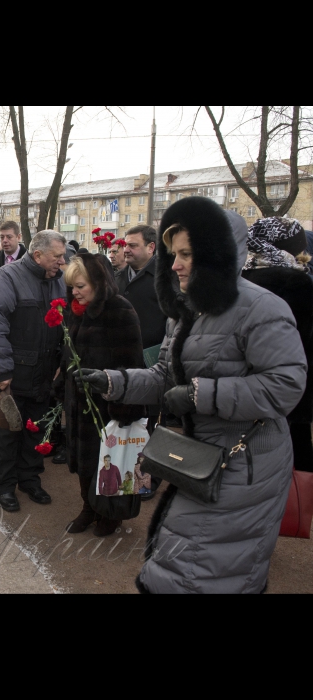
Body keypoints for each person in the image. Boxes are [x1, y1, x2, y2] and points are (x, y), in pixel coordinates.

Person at [79, 197, 307, 594]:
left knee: (204, 569)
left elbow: (286, 386)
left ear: (217, 255)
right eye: (173, 254)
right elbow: (165, 376)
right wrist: (114, 381)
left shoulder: (262, 308)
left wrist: (203, 394)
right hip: (205, 457)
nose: (176, 264)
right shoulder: (187, 310)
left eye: (187, 254)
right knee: (184, 561)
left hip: (248, 461)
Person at [0, 230, 67, 512]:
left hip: (45, 375)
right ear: (38, 255)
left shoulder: (59, 280)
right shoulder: (7, 277)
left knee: (36, 431)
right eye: (58, 256)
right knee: (7, 433)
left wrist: (62, 363)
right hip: (13, 378)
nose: (63, 263)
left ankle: (29, 479)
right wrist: (2, 373)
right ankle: (3, 483)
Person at [62, 254, 144, 536]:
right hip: (79, 402)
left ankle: (110, 513)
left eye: (80, 286)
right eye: (72, 286)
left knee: (110, 461)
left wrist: (124, 408)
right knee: (85, 461)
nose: (75, 292)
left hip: (107, 404)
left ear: (98, 283)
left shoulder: (120, 310)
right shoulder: (75, 311)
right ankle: (89, 507)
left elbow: (133, 364)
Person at [241, 216, 313, 471]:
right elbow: (304, 342)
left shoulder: (238, 278)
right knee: (294, 465)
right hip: (291, 389)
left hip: (245, 390)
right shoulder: (297, 283)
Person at [116, 224, 168, 499]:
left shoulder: (166, 277)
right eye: (125, 245)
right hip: (124, 363)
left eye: (133, 245)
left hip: (154, 364)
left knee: (152, 424)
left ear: (151, 247)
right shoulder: (119, 277)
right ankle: (123, 470)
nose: (126, 250)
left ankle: (148, 478)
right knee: (128, 420)